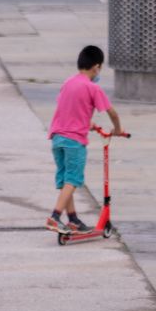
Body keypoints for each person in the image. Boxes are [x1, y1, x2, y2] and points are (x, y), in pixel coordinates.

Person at [47, 44, 124, 233]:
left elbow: (68, 109)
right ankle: (55, 217)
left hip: (57, 138)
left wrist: (86, 122)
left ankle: (72, 219)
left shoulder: (68, 83)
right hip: (74, 141)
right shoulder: (92, 88)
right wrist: (118, 130)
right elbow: (112, 113)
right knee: (73, 180)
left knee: (66, 180)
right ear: (96, 67)